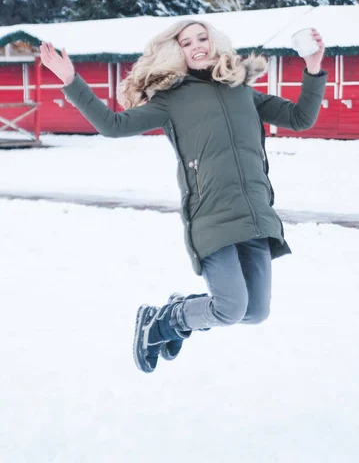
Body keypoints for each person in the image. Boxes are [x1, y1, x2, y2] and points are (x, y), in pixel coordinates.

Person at [40, 20, 327, 374]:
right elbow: (112, 125)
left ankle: (178, 312)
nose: (197, 46)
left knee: (255, 312)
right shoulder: (171, 100)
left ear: (215, 41)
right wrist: (71, 79)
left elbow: (300, 118)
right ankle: (164, 321)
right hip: (212, 218)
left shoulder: (242, 91)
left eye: (202, 38)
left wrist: (313, 68)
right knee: (229, 309)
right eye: (187, 42)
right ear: (178, 51)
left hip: (255, 215)